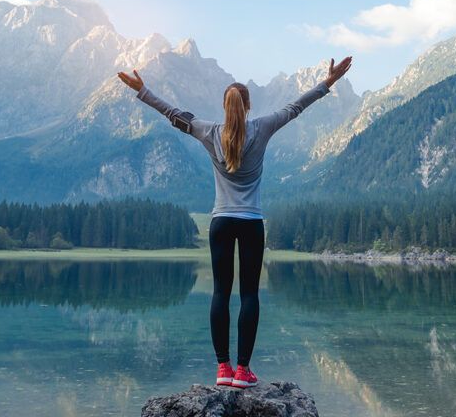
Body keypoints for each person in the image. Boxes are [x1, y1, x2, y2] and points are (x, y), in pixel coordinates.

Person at [117, 56, 352, 389]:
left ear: (225, 107)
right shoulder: (263, 126)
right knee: (249, 296)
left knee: (220, 294)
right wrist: (328, 82)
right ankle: (243, 371)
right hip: (251, 223)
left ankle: (223, 369)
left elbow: (173, 114)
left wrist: (143, 91)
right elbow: (297, 107)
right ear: (248, 106)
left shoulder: (208, 131)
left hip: (220, 223)